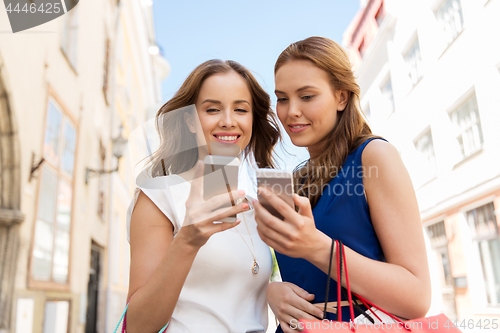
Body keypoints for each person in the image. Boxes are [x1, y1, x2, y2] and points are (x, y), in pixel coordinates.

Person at [252, 37, 431, 332]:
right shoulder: (294, 182)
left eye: (307, 96)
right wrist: (272, 292)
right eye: (282, 98)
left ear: (341, 97)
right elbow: (299, 276)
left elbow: (417, 297)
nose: (291, 111)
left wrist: (318, 248)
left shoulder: (374, 156)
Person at [124, 59, 281, 333]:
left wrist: (276, 292)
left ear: (252, 120)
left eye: (241, 109)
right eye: (212, 109)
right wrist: (187, 240)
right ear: (190, 121)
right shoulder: (159, 196)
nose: (228, 121)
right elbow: (138, 326)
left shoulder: (257, 209)